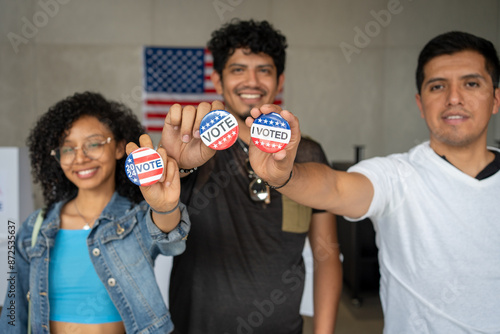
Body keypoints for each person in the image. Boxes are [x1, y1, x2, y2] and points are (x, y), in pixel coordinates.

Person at [246, 31, 500, 333]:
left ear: (495, 98)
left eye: (471, 83)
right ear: (420, 103)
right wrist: (284, 175)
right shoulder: (397, 176)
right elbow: (336, 187)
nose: (454, 98)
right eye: (438, 86)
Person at [160, 20, 342, 333]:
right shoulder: (194, 149)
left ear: (280, 80)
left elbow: (326, 254)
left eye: (264, 70)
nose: (252, 81)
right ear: (217, 80)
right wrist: (178, 165)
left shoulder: (307, 152)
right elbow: (162, 230)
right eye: (238, 69)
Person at [0, 92, 190, 334]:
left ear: (120, 147)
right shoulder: (34, 228)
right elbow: (14, 312)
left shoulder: (136, 218)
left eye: (94, 143)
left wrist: (164, 207)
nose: (80, 158)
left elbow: (171, 242)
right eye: (68, 149)